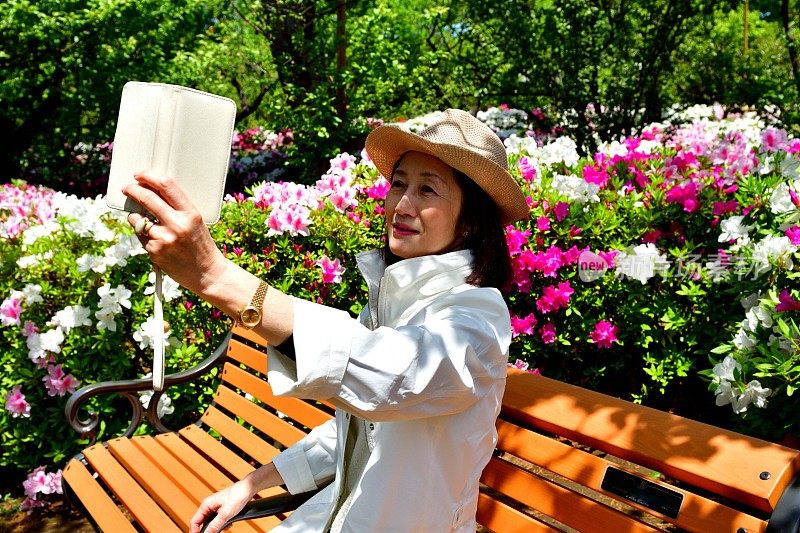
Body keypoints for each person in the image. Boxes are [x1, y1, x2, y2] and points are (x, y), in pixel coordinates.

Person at [122, 108, 529, 533]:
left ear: (471, 222)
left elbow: (391, 379)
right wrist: (250, 485)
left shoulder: (477, 318)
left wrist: (216, 276)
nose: (402, 205)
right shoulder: (393, 302)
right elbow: (358, 430)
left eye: (428, 190)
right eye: (399, 183)